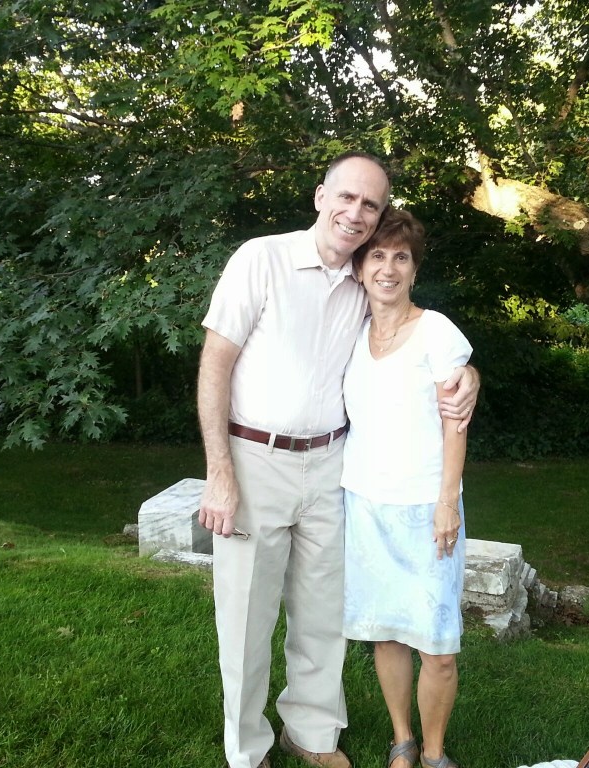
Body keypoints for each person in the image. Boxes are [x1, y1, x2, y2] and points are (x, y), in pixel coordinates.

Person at [196, 152, 479, 768]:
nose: (356, 213)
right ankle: (247, 751)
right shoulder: (261, 259)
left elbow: (417, 339)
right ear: (320, 197)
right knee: (245, 619)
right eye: (346, 198)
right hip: (254, 459)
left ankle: (313, 733)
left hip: (332, 466)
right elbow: (214, 362)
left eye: (370, 205)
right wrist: (219, 471)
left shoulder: (360, 281)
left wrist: (469, 375)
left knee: (323, 614)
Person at [340, 208, 470, 768]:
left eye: (401, 257)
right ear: (361, 267)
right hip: (365, 502)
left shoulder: (436, 330)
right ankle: (403, 742)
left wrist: (447, 503)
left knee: (437, 646)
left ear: (415, 270)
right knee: (386, 633)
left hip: (426, 508)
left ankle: (436, 753)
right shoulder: (349, 331)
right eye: (377, 255)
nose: (388, 268)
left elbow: (455, 418)